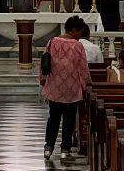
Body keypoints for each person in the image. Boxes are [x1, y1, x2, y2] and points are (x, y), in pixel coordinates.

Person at [39, 17, 91, 155]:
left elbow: (44, 61)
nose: (80, 35)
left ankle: (48, 147)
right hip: (72, 88)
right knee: (69, 119)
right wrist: (87, 83)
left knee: (53, 117)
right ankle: (65, 148)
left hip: (55, 86)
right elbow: (83, 67)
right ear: (74, 30)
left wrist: (43, 79)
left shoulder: (52, 41)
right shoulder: (77, 45)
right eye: (80, 31)